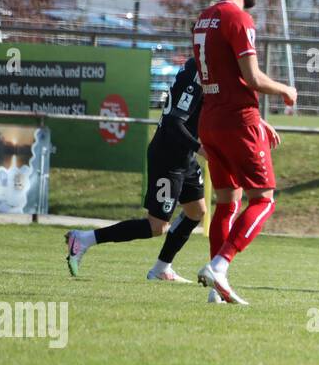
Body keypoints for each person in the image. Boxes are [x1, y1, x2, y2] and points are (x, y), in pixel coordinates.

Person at [192, 0, 296, 305]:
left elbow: (223, 77)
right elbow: (251, 77)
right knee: (263, 199)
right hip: (237, 120)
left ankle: (215, 292)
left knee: (226, 200)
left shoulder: (204, 18)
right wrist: (284, 89)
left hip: (211, 119)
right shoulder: (239, 18)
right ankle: (219, 265)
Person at [64, 57, 210, 282]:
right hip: (168, 157)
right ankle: (84, 239)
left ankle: (162, 269)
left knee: (196, 211)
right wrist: (200, 148)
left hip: (184, 157)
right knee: (157, 226)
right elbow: (173, 122)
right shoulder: (196, 73)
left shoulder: (201, 68)